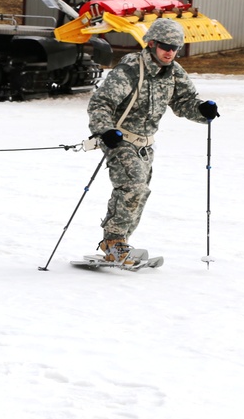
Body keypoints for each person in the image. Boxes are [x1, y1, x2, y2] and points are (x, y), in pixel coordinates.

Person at [87, 17, 220, 265]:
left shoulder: (173, 72)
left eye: (175, 48)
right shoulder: (129, 70)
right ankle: (113, 242)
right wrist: (105, 131)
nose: (170, 52)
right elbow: (100, 103)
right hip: (119, 139)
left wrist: (202, 111)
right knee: (133, 186)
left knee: (141, 192)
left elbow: (185, 102)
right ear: (151, 44)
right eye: (165, 46)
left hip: (145, 144)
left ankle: (121, 242)